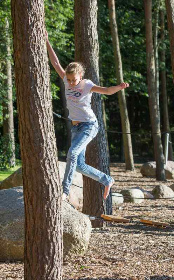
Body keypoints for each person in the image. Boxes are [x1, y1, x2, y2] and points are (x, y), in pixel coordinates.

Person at [46, 33, 129, 201]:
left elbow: (105, 90)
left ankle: (65, 190)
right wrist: (47, 40)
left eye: (73, 80)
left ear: (81, 77)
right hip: (76, 128)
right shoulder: (65, 80)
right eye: (68, 80)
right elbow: (55, 62)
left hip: (89, 125)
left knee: (72, 153)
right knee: (79, 165)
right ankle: (107, 180)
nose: (70, 83)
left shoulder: (87, 85)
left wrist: (119, 87)